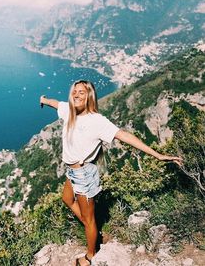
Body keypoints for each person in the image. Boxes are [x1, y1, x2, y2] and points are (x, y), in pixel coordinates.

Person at [40, 80, 182, 266]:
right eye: (74, 91)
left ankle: (90, 256)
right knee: (67, 199)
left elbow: (124, 135)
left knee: (89, 219)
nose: (76, 95)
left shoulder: (96, 120)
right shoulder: (69, 110)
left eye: (82, 92)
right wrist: (43, 99)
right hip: (71, 172)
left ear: (89, 96)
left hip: (84, 174)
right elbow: (56, 103)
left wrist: (158, 155)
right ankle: (93, 230)